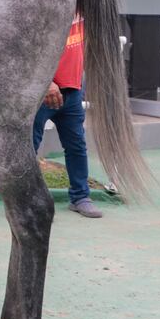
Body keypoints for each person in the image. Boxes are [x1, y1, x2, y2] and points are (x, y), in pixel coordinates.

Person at [33, 15, 103, 218]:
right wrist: (46, 82)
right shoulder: (47, 7)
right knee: (29, 147)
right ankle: (25, 199)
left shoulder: (82, 5)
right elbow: (29, 50)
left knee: (77, 146)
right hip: (42, 93)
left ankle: (80, 197)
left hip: (72, 91)